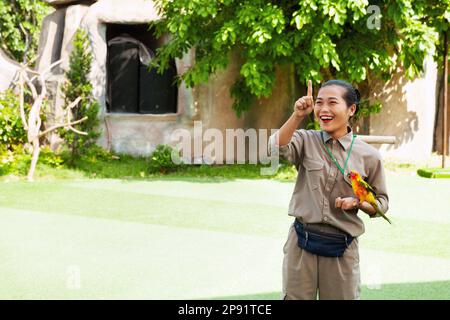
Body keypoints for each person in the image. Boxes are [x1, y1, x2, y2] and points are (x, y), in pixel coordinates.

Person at [268, 79, 389, 300]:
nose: (324, 109)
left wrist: (358, 203)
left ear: (351, 109)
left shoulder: (369, 156)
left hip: (342, 248)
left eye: (332, 103)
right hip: (301, 243)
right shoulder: (306, 139)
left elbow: (381, 202)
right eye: (319, 103)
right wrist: (297, 116)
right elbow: (275, 148)